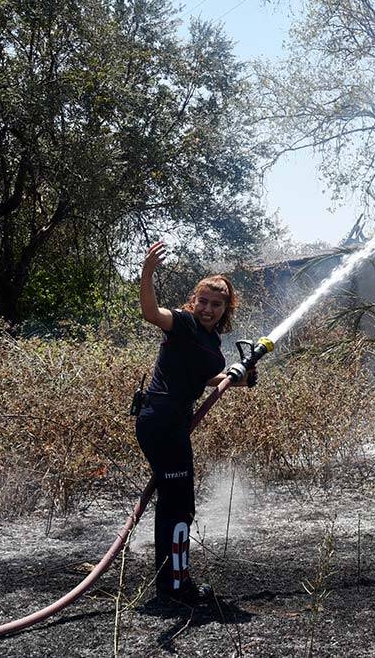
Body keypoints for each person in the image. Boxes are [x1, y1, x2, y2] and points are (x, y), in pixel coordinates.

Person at [136, 240, 252, 606]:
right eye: (203, 301)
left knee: (175, 502)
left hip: (171, 422)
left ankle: (170, 582)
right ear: (193, 301)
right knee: (179, 505)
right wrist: (148, 272)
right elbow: (152, 313)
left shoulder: (211, 340)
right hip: (162, 421)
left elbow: (206, 379)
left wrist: (240, 375)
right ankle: (176, 588)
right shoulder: (183, 323)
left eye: (216, 304)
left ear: (224, 309)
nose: (208, 308)